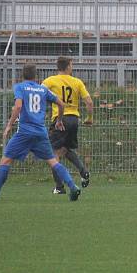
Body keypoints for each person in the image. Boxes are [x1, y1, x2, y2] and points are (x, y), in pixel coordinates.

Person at [0, 63, 81, 202]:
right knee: (53, 161)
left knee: (6, 160)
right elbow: (61, 104)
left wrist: (9, 125)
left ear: (22, 75)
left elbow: (18, 106)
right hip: (40, 132)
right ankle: (73, 186)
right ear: (36, 76)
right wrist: (59, 120)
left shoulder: (20, 87)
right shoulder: (42, 89)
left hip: (24, 132)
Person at [42, 56, 94, 194]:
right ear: (67, 66)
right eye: (72, 65)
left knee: (53, 153)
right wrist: (89, 118)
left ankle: (59, 187)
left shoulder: (50, 81)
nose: (73, 67)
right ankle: (84, 172)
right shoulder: (77, 82)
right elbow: (89, 102)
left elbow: (38, 94)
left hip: (60, 119)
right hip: (74, 119)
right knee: (65, 149)